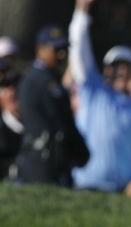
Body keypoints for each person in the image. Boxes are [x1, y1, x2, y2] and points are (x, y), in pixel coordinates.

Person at [69, 0, 131, 196]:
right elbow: (78, 49)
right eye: (116, 66)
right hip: (85, 185)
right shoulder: (93, 91)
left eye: (126, 66)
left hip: (120, 193)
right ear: (106, 70)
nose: (121, 71)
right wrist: (82, 11)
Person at [15, 25, 89, 187]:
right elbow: (59, 122)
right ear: (40, 49)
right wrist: (78, 148)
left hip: (54, 160)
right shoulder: (39, 81)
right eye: (56, 49)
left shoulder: (50, 79)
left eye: (64, 49)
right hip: (42, 160)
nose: (62, 54)